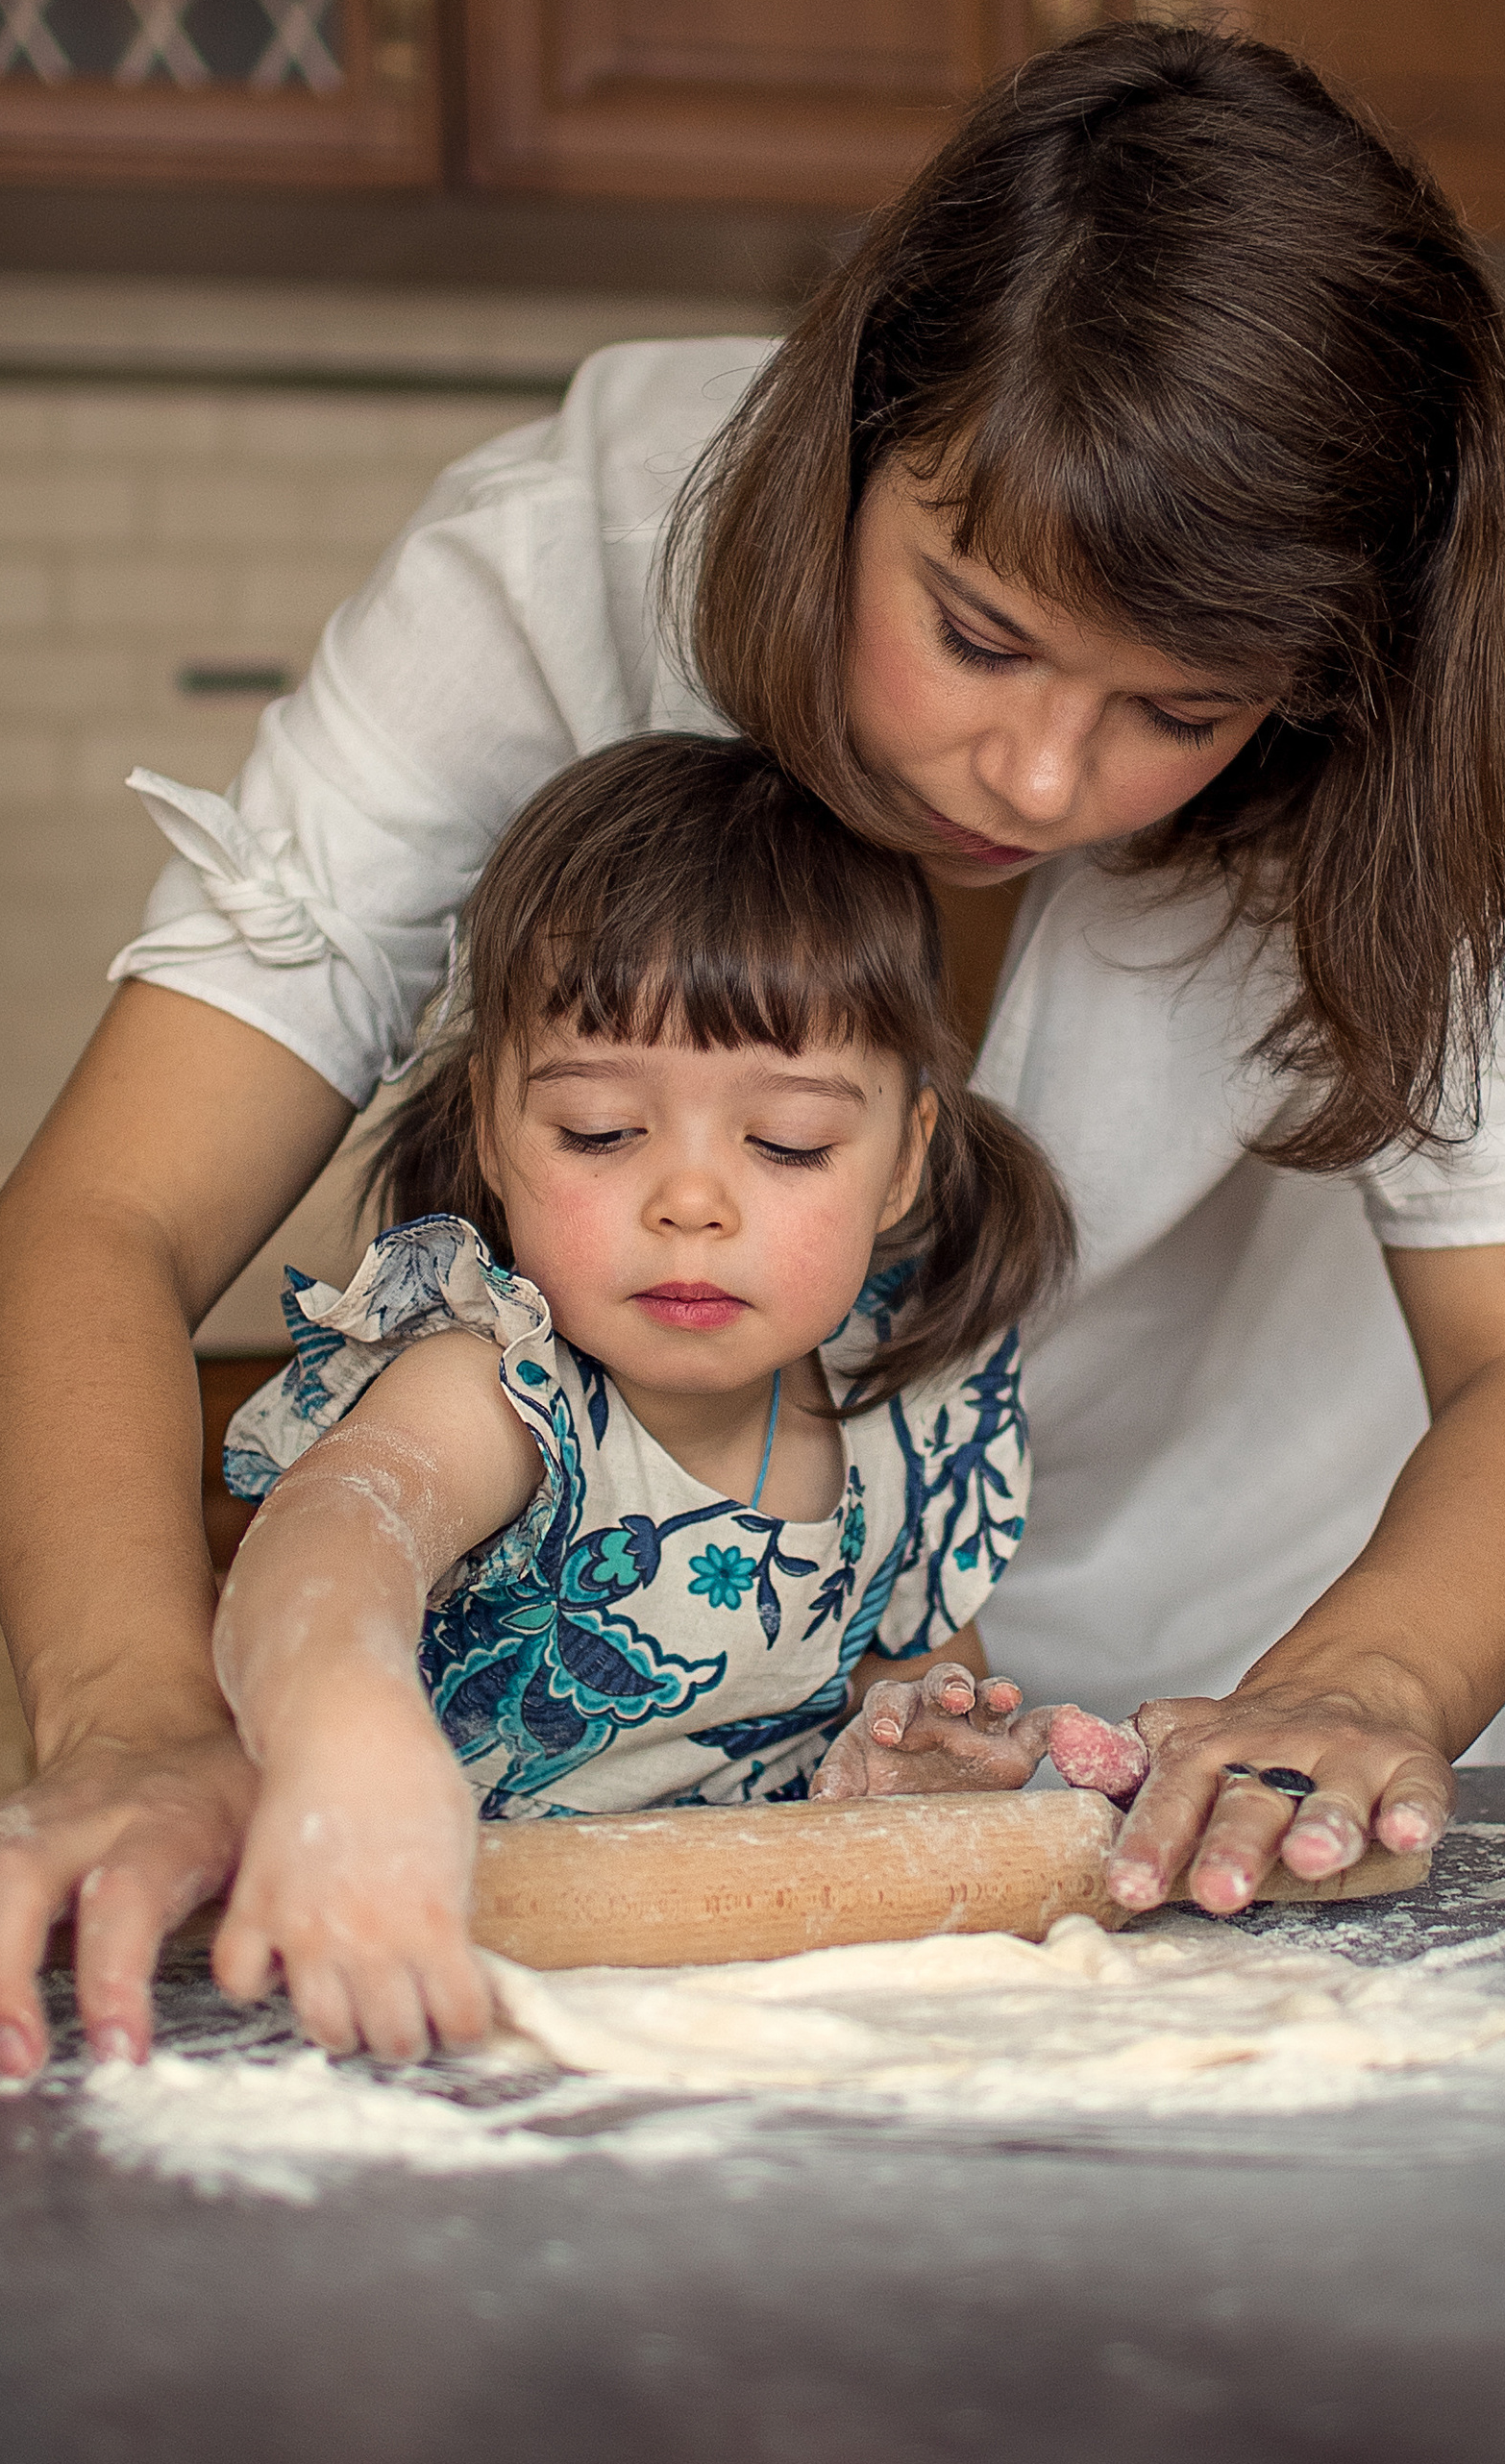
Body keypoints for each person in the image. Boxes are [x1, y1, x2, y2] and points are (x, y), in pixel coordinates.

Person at [0, 21, 1505, 2081]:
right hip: (672, 1809)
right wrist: (138, 1729)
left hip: (1247, 1800)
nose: (1043, 770)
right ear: (847, 425)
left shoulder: (1394, 755)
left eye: (1184, 706)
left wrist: (1358, 1682)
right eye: (976, 631)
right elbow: (100, 1215)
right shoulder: (561, 558)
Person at [208, 731, 1078, 2060]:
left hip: (771, 2039)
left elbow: (923, 1682)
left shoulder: (916, 1420)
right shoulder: (499, 1390)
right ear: (495, 1129)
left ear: (903, 1162)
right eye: (603, 1129)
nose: (689, 1198)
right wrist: (337, 1721)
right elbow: (337, 1531)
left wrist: (920, 1754)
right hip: (440, 2011)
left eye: (786, 1141)